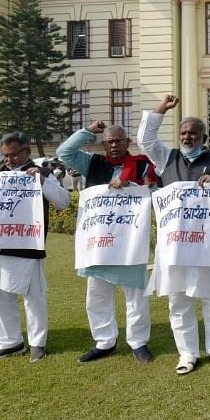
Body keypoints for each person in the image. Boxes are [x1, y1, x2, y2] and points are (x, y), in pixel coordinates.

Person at [138, 94, 210, 375]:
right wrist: (161, 109)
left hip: (208, 245)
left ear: (204, 137)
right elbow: (145, 139)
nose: (187, 136)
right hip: (176, 246)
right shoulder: (166, 158)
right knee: (178, 301)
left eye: (193, 133)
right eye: (183, 132)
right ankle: (187, 353)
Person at [0, 93, 72, 363]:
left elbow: (63, 202)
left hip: (28, 243)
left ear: (26, 152)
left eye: (15, 155)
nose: (11, 160)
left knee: (33, 295)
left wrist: (41, 181)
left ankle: (37, 343)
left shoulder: (42, 172)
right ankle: (10, 341)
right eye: (6, 155)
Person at [57, 119, 158, 364]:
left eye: (119, 141)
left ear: (128, 142)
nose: (114, 145)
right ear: (103, 144)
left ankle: (138, 342)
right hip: (98, 243)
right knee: (97, 295)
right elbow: (64, 152)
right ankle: (104, 342)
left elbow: (154, 194)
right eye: (109, 142)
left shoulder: (142, 165)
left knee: (136, 295)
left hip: (129, 242)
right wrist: (89, 131)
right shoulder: (92, 163)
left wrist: (131, 186)